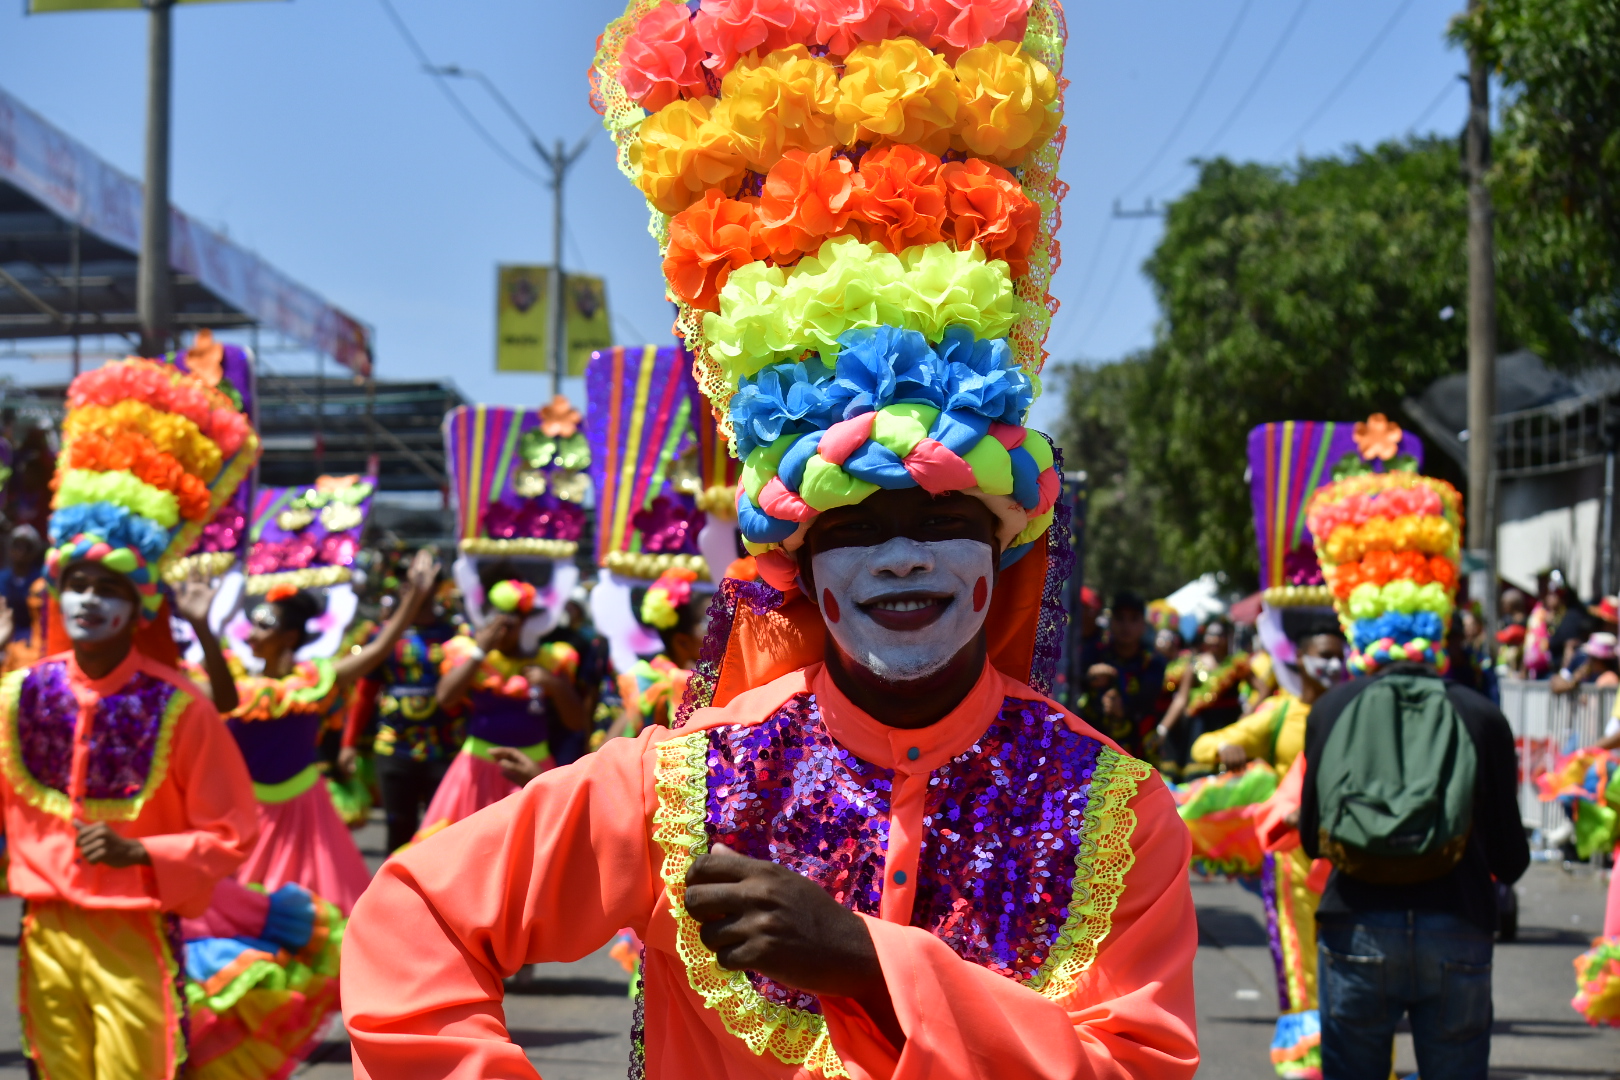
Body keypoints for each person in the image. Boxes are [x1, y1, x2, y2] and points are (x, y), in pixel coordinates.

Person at [1300, 467, 1529, 1080]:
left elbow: (1309, 835)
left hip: (1355, 927)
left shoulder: (1331, 709)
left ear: (1358, 618)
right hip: (1457, 925)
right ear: (1441, 619)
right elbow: (1511, 859)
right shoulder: (1480, 715)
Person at [196, 548, 441, 913]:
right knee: (244, 909)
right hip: (245, 812)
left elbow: (378, 650)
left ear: (291, 636)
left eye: (266, 625)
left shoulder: (316, 681)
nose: (252, 634)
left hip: (303, 814)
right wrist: (201, 622)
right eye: (254, 624)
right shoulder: (230, 685)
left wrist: (415, 599)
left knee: (315, 908)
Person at [1191, 607, 1347, 1079]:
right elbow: (1203, 747)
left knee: (1353, 968)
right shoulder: (1281, 711)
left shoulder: (1356, 706)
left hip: (1346, 857)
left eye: (1340, 657)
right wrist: (1225, 750)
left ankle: (1350, 1057)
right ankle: (1308, 1065)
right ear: (1298, 659)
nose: (1332, 667)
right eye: (1323, 657)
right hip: (1292, 856)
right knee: (1300, 970)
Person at [410, 559, 588, 842]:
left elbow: (577, 721)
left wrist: (554, 685)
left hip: (534, 770)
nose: (504, 632)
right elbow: (445, 698)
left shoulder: (550, 660)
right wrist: (480, 652)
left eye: (511, 624)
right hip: (476, 771)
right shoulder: (472, 656)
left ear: (525, 622)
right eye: (498, 622)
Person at [339, 569, 467, 854]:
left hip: (446, 747)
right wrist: (349, 744)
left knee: (444, 833)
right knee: (398, 829)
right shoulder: (382, 636)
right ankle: (394, 896)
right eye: (411, 582)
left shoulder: (455, 635)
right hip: (394, 747)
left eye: (426, 583)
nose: (419, 590)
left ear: (437, 589)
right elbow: (365, 693)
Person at [1157, 617, 1255, 779]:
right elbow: (1181, 699)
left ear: (1228, 637)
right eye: (1211, 635)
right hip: (1199, 726)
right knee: (1198, 773)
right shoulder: (1194, 663)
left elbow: (1262, 688)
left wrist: (1248, 711)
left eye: (1220, 635)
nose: (1215, 639)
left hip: (1227, 723)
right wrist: (1163, 729)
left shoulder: (1237, 664)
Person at [1078, 592, 1168, 758]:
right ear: (1111, 621)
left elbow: (1146, 701)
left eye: (1133, 619)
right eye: (1120, 618)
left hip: (1139, 751)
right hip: (1091, 747)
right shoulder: (1093, 652)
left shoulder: (1153, 661)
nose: (1126, 625)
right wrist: (1089, 677)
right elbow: (1074, 683)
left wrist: (1122, 706)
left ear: (1143, 624)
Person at [0, 523, 44, 646]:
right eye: (17, 546)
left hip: (30, 643)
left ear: (34, 552)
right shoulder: (1, 578)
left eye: (27, 547)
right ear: (10, 549)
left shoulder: (41, 582)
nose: (21, 551)